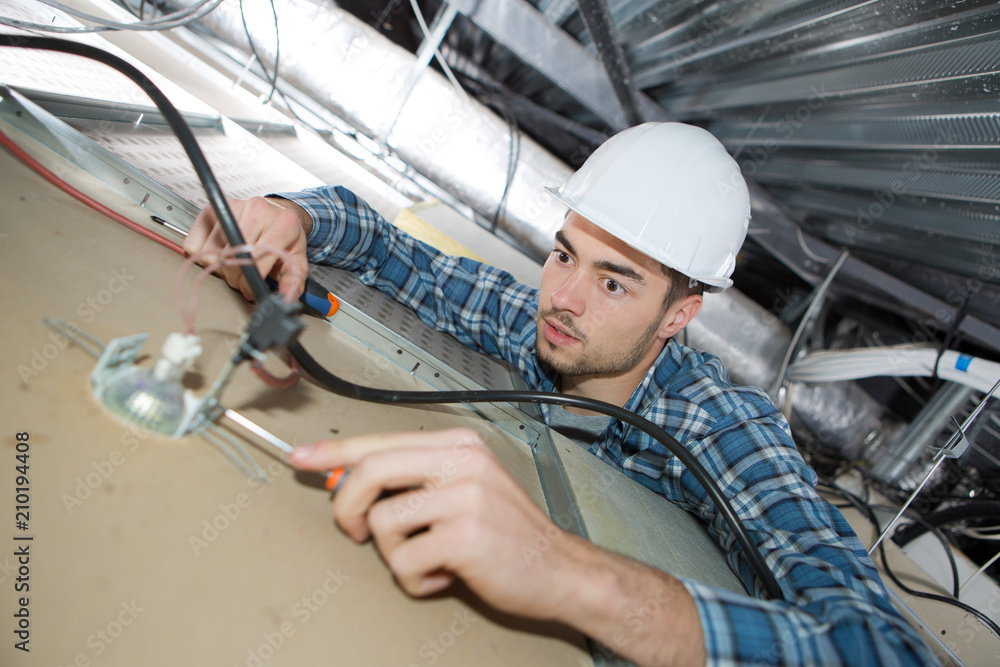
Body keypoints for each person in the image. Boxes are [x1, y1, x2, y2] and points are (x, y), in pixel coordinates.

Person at [186, 123, 937, 666]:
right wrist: (293, 216)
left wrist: (563, 571)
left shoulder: (723, 424)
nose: (564, 298)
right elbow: (391, 251)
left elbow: (884, 649)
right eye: (563, 254)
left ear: (679, 315)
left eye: (615, 280)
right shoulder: (549, 326)